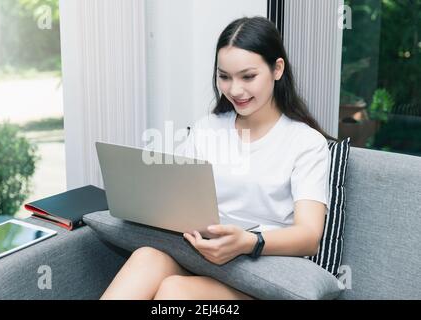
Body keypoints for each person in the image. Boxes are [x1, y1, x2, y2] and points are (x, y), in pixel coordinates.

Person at [100, 16, 335, 300]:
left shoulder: (306, 142)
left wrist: (248, 242)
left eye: (248, 76)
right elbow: (175, 198)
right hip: (203, 261)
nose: (235, 90)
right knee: (146, 257)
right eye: (224, 77)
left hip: (264, 272)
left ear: (277, 69)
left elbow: (309, 236)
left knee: (175, 292)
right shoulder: (207, 129)